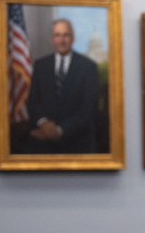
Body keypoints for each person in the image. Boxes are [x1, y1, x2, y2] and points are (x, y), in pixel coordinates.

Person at [24, 19, 99, 153]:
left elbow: (88, 109)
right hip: (44, 143)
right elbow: (33, 102)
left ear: (73, 38)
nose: (61, 40)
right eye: (57, 35)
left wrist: (58, 131)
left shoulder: (88, 67)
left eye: (66, 35)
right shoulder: (41, 65)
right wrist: (43, 123)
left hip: (78, 142)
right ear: (52, 39)